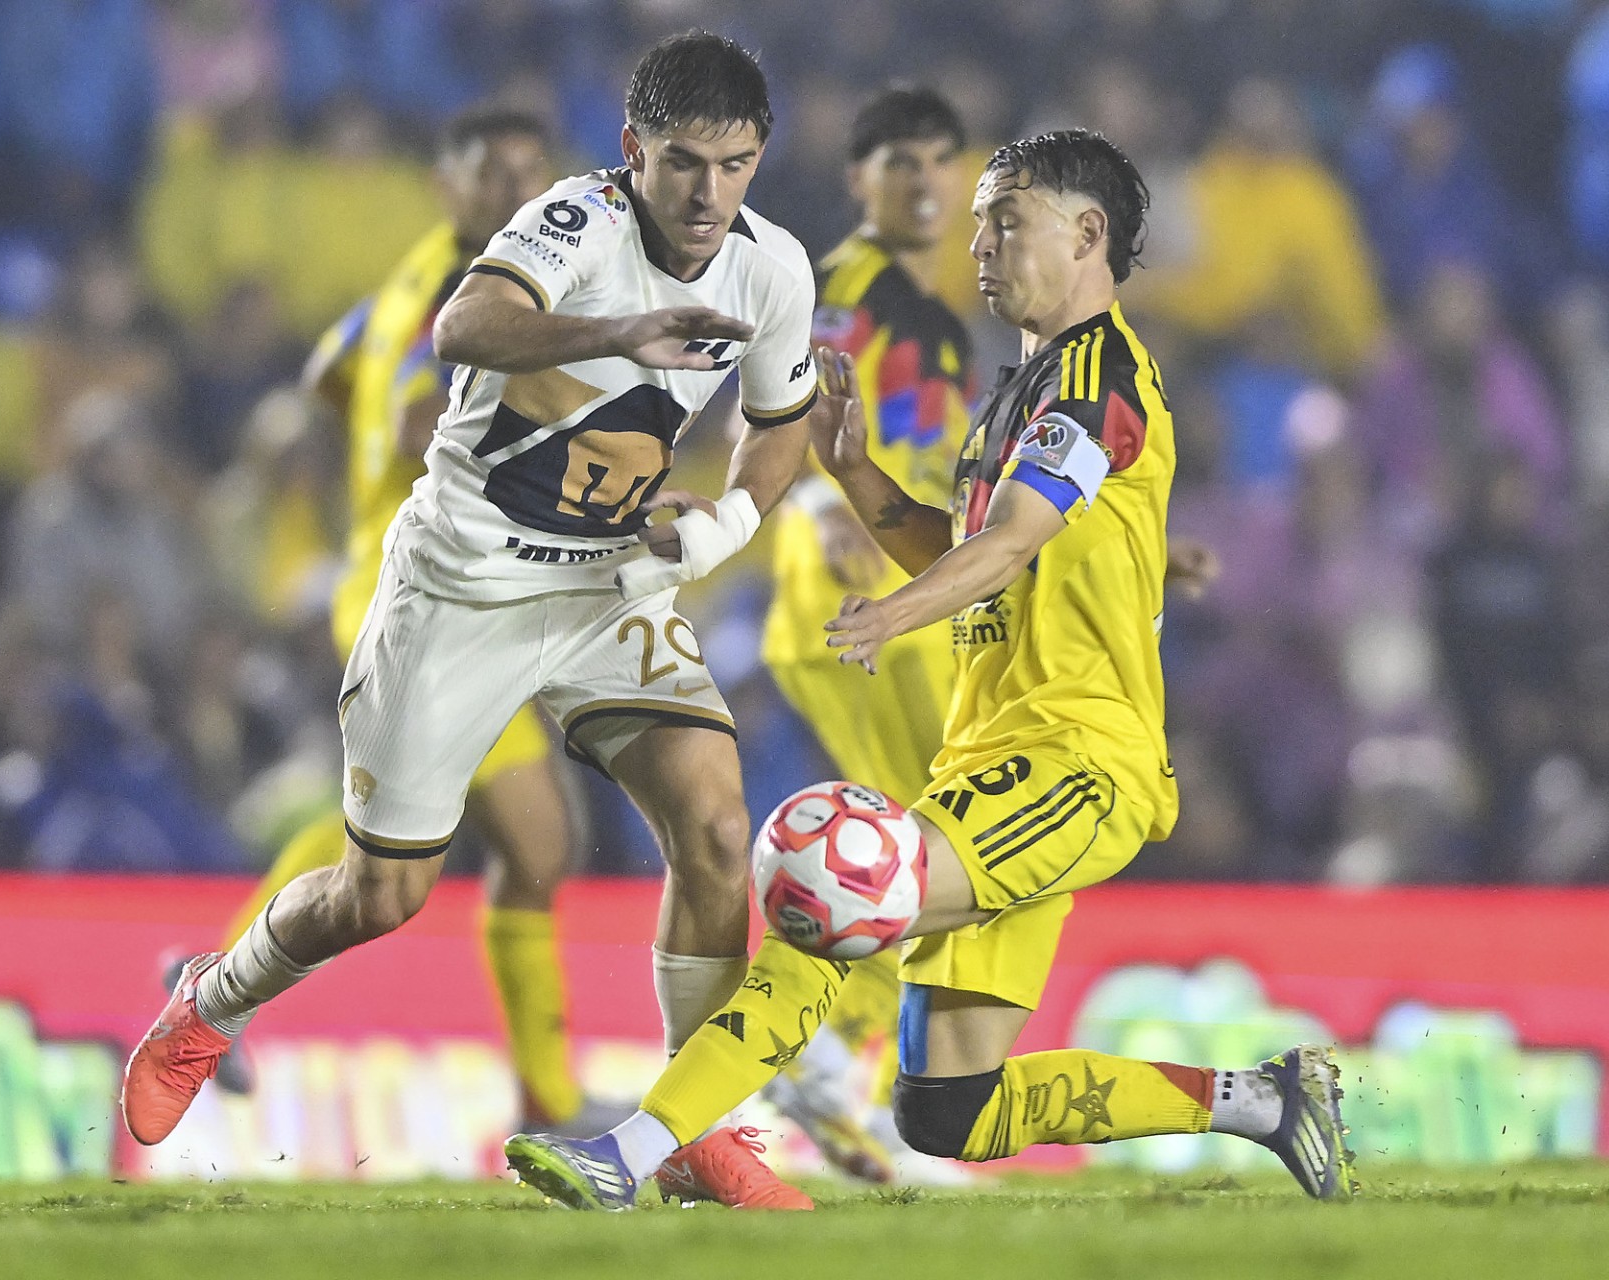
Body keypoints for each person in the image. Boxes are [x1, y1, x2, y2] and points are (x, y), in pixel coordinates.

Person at [506, 130, 1355, 1210]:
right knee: (950, 1108)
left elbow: (1007, 545)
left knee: (829, 897)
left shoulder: (1099, 381)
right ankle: (1268, 1101)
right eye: (979, 223)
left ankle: (631, 1153)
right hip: (996, 756)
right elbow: (962, 549)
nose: (980, 243)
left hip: (1073, 757)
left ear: (1088, 233)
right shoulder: (1019, 393)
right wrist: (857, 472)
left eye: (1007, 221)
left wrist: (889, 618)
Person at [122, 33, 823, 1211]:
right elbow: (464, 327)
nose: (709, 193)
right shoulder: (573, 221)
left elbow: (780, 415)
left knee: (713, 825)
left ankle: (689, 1127)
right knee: (380, 895)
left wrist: (731, 523)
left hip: (606, 583)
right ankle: (210, 999)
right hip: (461, 588)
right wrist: (614, 335)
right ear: (633, 149)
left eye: (736, 164)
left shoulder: (775, 269)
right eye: (684, 163)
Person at [185, 106, 621, 1134]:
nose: (515, 191)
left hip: (427, 588)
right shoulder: (462, 294)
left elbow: (326, 378)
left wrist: (366, 477)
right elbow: (429, 421)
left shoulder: (410, 279)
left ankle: (547, 1094)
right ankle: (213, 981)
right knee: (405, 859)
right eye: (492, 172)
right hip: (427, 599)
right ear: (447, 183)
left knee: (525, 841)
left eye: (531, 172)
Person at [756, 85, 975, 1184]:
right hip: (857, 599)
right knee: (937, 851)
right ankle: (829, 1057)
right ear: (859, 179)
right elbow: (784, 398)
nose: (923, 181)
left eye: (939, 160)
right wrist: (816, 502)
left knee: (927, 845)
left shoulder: (936, 318)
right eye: (900, 161)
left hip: (911, 599)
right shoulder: (847, 287)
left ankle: (845, 1072)